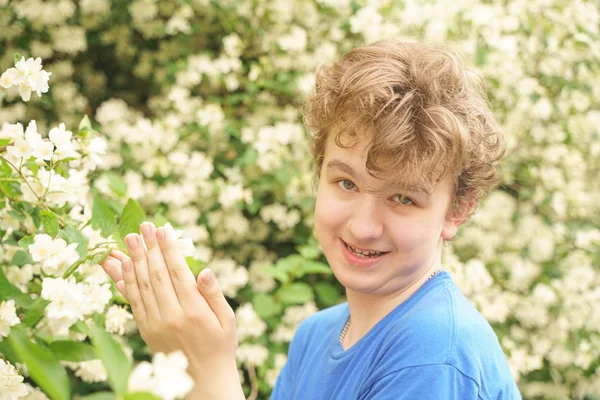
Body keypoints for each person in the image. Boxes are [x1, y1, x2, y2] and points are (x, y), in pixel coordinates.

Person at [101, 39, 522, 399]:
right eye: (346, 183)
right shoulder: (316, 336)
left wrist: (207, 373)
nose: (362, 226)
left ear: (457, 210)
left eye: (402, 198)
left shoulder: (434, 355)